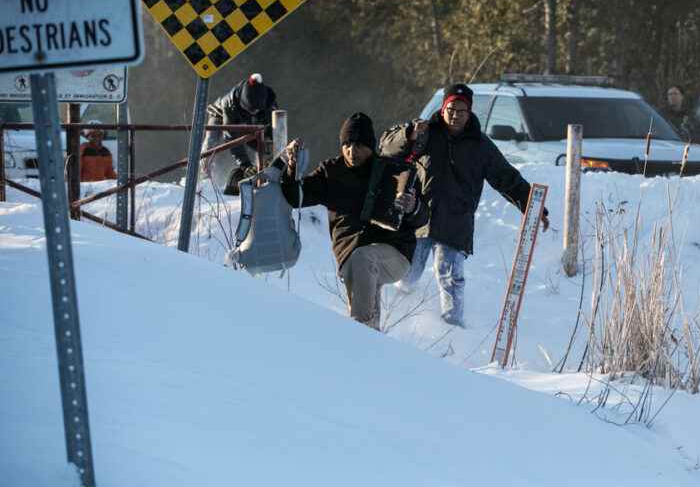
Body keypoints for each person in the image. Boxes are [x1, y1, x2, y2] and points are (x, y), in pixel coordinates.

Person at [380, 83, 549, 327]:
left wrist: (534, 207)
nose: (455, 115)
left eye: (461, 110)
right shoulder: (425, 133)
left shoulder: (480, 145)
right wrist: (408, 134)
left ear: (469, 112)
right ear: (442, 108)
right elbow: (386, 148)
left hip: (456, 220)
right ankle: (396, 311)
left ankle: (452, 326)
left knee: (449, 274)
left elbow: (506, 178)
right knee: (408, 272)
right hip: (419, 216)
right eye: (451, 109)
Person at [280, 112, 428, 331]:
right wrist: (291, 165)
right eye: (347, 144)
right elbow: (295, 196)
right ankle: (374, 346)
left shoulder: (391, 171)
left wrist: (412, 207)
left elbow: (423, 217)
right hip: (350, 255)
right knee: (362, 273)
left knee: (364, 260)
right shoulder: (331, 172)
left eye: (359, 145)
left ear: (371, 146)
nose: (352, 151)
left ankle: (360, 338)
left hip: (395, 252)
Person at [203, 73, 278, 195]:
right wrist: (245, 165)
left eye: (255, 110)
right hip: (222, 116)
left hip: (251, 123)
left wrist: (270, 156)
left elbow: (273, 133)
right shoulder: (230, 103)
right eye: (249, 109)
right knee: (210, 144)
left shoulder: (270, 103)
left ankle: (261, 177)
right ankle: (203, 178)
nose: (252, 111)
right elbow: (232, 139)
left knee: (265, 146)